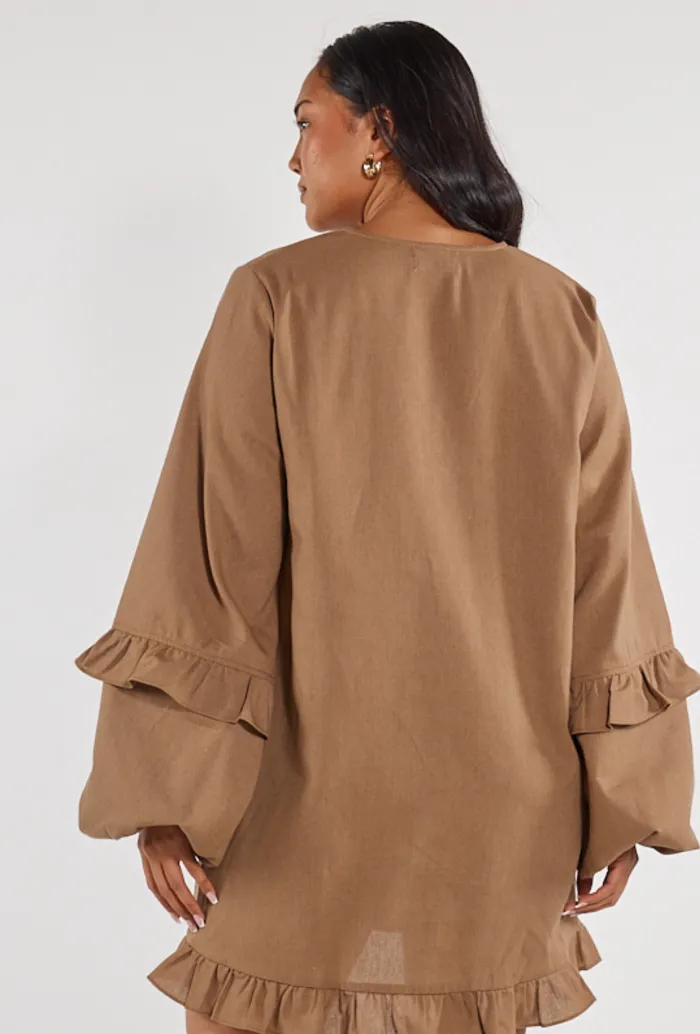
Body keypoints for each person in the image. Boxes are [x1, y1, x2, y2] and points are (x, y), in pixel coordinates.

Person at [74, 19, 700, 1034]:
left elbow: (210, 566)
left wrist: (167, 792)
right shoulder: (560, 313)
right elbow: (610, 580)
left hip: (299, 827)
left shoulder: (276, 297)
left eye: (305, 122)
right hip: (501, 836)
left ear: (381, 130)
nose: (292, 156)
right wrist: (624, 796)